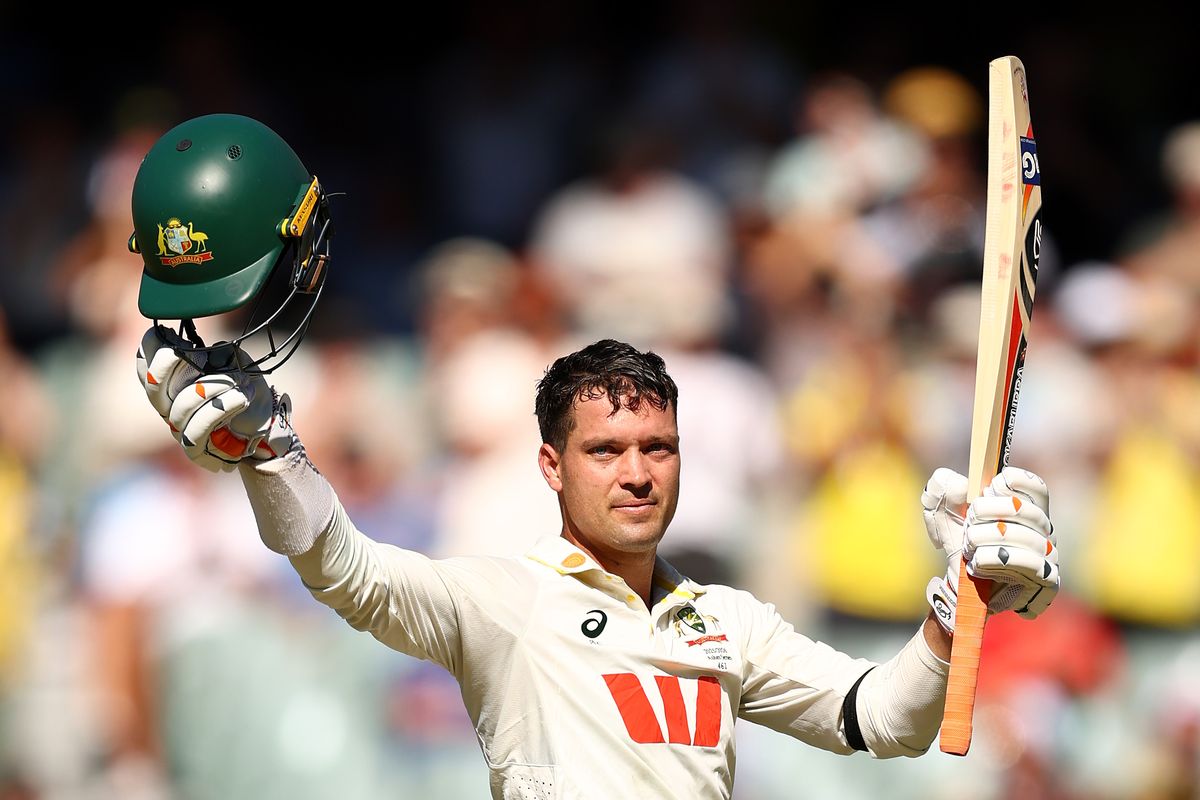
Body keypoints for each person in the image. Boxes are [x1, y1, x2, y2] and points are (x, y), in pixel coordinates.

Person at [129, 116, 1061, 799]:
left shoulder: (727, 624)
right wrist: (271, 452)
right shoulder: (501, 604)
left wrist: (954, 608)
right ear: (550, 467)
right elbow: (340, 567)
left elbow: (882, 722)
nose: (638, 472)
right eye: (606, 450)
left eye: (658, 447)